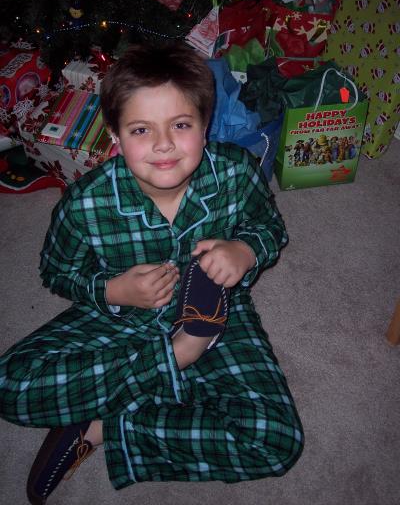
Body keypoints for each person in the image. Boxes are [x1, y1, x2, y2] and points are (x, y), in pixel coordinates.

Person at [0, 43, 304, 504]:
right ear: (116, 136)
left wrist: (244, 250)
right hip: (122, 316)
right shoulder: (84, 203)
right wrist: (112, 289)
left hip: (216, 315)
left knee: (276, 441)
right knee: (10, 386)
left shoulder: (237, 172)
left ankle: (105, 426)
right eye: (142, 129)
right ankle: (174, 364)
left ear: (205, 125)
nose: (163, 144)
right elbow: (57, 272)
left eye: (181, 125)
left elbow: (269, 229)